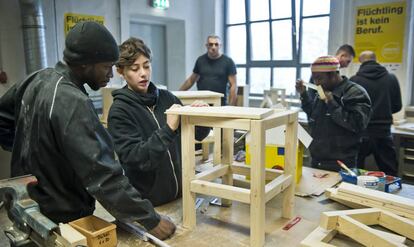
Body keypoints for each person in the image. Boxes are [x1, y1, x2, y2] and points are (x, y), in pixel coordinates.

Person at [0, 22, 175, 240]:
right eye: (106, 67)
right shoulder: (73, 102)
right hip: (61, 217)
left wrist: (26, 150)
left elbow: (2, 119)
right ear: (85, 65)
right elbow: (103, 176)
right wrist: (151, 220)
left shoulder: (37, 79)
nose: (111, 74)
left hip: (24, 203)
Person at [107, 37, 210, 206]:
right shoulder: (120, 112)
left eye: (147, 66)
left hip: (183, 195)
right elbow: (138, 159)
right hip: (152, 204)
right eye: (135, 68)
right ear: (121, 71)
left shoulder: (167, 98)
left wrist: (201, 117)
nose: (143, 73)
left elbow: (197, 135)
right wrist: (168, 129)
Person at [296, 55, 371, 171]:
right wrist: (304, 95)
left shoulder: (355, 92)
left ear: (334, 74)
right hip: (317, 161)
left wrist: (331, 102)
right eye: (314, 78)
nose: (316, 83)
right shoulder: (323, 91)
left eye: (319, 78)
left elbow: (357, 124)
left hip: (341, 163)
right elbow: (312, 115)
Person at [350, 51, 402, 176]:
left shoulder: (354, 80)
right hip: (383, 132)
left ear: (361, 61)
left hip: (361, 132)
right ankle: (390, 195)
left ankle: (355, 194)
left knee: (355, 171)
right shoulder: (391, 78)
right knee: (390, 172)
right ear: (376, 60)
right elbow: (397, 106)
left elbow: (349, 107)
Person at [179, 35, 237, 106]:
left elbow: (233, 85)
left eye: (216, 44)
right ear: (207, 45)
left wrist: (231, 106)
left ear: (220, 46)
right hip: (201, 103)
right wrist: (178, 94)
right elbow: (191, 80)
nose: (213, 47)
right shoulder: (200, 60)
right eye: (211, 44)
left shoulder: (228, 62)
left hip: (220, 103)